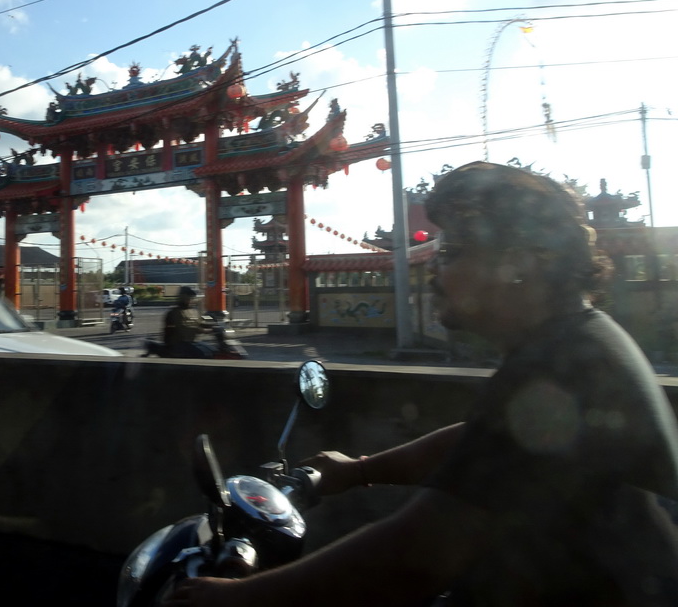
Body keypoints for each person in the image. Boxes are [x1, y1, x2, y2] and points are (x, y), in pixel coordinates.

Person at [165, 161, 678, 606]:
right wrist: (363, 470)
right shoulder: (569, 344)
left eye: (452, 251)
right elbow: (481, 443)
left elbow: (419, 554)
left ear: (520, 263)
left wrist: (240, 598)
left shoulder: (566, 362)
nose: (433, 267)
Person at [163, 286, 209, 358]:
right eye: (189, 297)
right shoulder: (175, 312)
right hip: (177, 344)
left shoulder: (193, 311)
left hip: (190, 342)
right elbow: (183, 328)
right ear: (182, 297)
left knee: (210, 350)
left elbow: (200, 322)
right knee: (202, 354)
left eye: (192, 298)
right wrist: (200, 330)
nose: (191, 300)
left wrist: (212, 325)